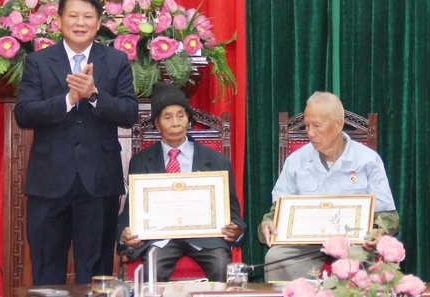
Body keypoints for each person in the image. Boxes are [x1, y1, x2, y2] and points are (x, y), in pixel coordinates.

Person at [14, 0, 138, 285]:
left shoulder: (116, 60)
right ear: (58, 20)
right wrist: (68, 99)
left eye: (88, 16)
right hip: (49, 181)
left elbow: (129, 112)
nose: (80, 23)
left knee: (95, 271)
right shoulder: (39, 62)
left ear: (98, 24)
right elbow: (24, 114)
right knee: (46, 266)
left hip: (98, 182)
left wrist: (94, 95)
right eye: (73, 15)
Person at [258, 92, 400, 282]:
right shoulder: (296, 161)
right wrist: (267, 223)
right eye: (306, 126)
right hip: (305, 244)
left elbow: (389, 215)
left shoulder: (368, 160)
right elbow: (278, 211)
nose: (310, 133)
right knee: (275, 258)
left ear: (338, 124)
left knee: (356, 259)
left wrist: (377, 231)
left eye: (317, 126)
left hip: (352, 243)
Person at [117, 82, 247, 282]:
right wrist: (125, 234)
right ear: (157, 124)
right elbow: (130, 212)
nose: (176, 123)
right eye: (167, 117)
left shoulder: (216, 160)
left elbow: (232, 211)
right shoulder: (141, 161)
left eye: (181, 115)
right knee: (153, 270)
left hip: (205, 238)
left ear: (189, 119)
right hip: (161, 238)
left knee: (221, 265)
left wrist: (236, 229)